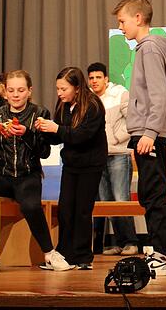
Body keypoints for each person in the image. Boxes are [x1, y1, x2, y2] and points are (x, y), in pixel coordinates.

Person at [0, 70, 73, 272]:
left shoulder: (40, 113)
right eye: (11, 90)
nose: (16, 95)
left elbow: (43, 152)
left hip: (28, 175)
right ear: (5, 93)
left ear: (29, 91)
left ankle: (50, 254)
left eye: (21, 90)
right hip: (3, 175)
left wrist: (27, 134)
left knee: (30, 206)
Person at [114, 0, 166, 276]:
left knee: (154, 193)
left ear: (138, 18)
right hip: (145, 132)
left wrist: (149, 132)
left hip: (148, 134)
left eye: (123, 21)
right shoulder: (146, 49)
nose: (121, 27)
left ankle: (160, 253)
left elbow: (159, 95)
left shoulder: (149, 49)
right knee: (150, 192)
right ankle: (158, 250)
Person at [35, 67, 107, 270]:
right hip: (72, 163)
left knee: (82, 210)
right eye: (58, 89)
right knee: (66, 208)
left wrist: (56, 128)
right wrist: (44, 128)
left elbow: (82, 135)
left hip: (90, 164)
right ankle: (64, 254)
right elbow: (61, 135)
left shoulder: (93, 105)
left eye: (63, 89)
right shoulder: (64, 105)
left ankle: (83, 256)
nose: (59, 93)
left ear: (76, 87)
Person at [87, 62, 139, 256]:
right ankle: (119, 242)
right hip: (97, 155)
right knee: (105, 200)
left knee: (120, 198)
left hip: (118, 154)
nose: (94, 81)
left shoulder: (120, 93)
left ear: (106, 79)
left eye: (98, 77)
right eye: (91, 78)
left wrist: (117, 138)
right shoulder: (88, 98)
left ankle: (131, 242)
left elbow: (132, 119)